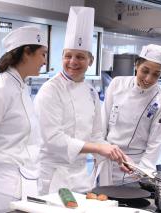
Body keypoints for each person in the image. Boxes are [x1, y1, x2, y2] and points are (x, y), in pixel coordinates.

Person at [34, 6, 130, 195]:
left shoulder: (91, 92)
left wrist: (116, 155)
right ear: (61, 57)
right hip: (53, 176)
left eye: (80, 57)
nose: (73, 62)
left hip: (80, 177)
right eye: (68, 56)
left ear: (90, 61)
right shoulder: (50, 90)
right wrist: (99, 148)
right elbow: (53, 139)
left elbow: (95, 135)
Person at [0, 26, 48, 213]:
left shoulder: (22, 88)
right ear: (27, 53)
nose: (45, 61)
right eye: (42, 54)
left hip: (23, 186)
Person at [99, 44, 161, 184]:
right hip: (107, 161)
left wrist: (141, 172)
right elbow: (103, 123)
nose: (148, 79)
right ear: (136, 65)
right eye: (145, 71)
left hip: (134, 168)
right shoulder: (117, 84)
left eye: (156, 74)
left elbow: (155, 143)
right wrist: (101, 151)